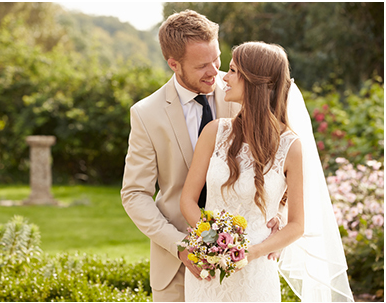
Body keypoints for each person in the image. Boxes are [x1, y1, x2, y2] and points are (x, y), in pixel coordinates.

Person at [121, 11, 281, 302]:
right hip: (177, 267)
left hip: (244, 261)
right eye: (201, 65)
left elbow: (278, 161)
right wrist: (180, 246)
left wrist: (277, 217)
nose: (215, 72)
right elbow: (134, 194)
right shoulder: (146, 114)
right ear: (174, 64)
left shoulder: (242, 91)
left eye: (216, 59)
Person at [180, 41, 354, 302]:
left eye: (233, 71)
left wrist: (251, 253)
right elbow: (188, 201)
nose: (224, 78)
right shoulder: (214, 132)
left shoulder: (291, 147)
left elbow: (296, 225)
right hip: (208, 273)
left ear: (254, 82)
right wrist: (214, 240)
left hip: (256, 275)